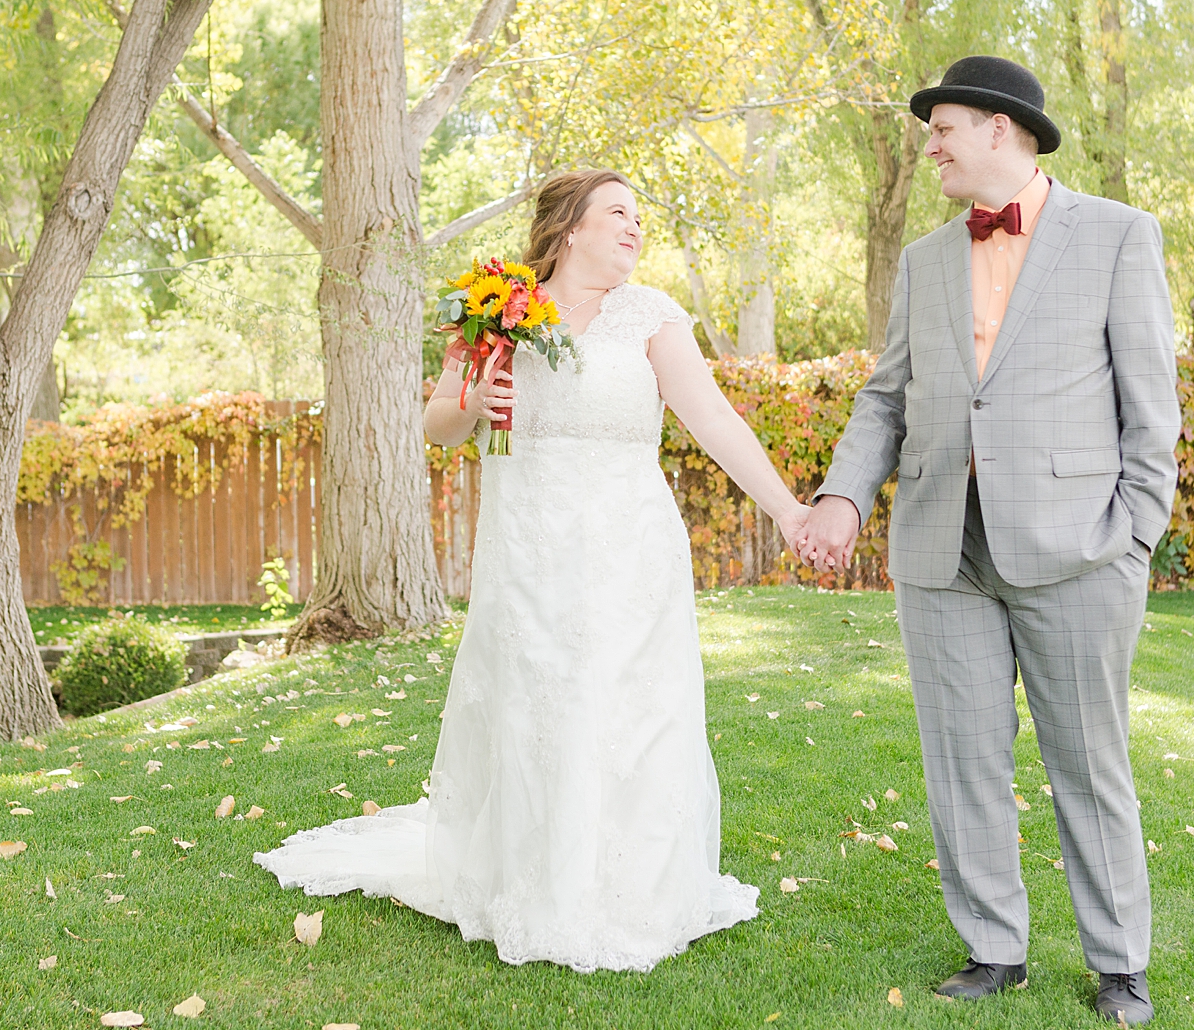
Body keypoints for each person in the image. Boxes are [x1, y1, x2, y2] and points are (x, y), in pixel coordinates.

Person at [257, 168, 806, 974]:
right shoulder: (494, 311)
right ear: (570, 228)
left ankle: (635, 891)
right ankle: (532, 876)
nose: (634, 228)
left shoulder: (652, 317)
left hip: (628, 543)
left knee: (632, 703)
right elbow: (438, 423)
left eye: (638, 218)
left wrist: (788, 511)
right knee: (538, 699)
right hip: (528, 545)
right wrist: (477, 402)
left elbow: (714, 419)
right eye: (617, 213)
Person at [796, 55, 1181, 1025]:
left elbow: (1150, 410)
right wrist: (843, 496)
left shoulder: (1118, 237)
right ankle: (991, 948)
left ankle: (1117, 961)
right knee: (959, 755)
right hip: (939, 548)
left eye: (942, 129)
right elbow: (885, 395)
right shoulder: (924, 258)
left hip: (1078, 551)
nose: (929, 147)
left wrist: (1133, 534)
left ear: (1000, 129)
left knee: (1086, 758)